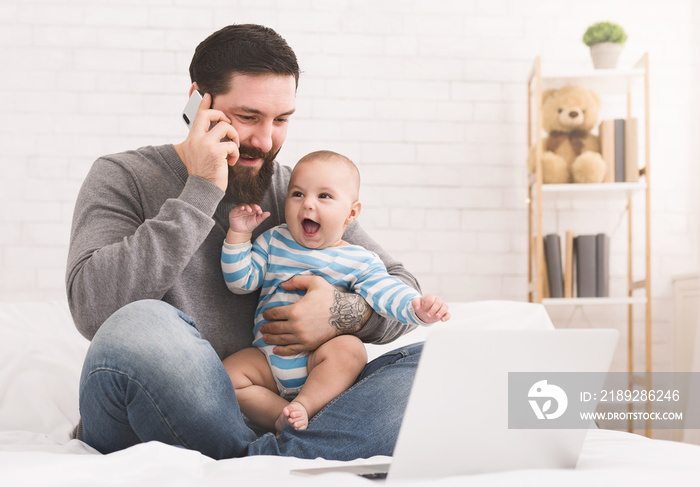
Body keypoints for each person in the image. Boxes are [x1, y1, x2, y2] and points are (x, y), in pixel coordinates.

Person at [66, 23, 426, 460]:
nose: (265, 139)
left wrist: (338, 314)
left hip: (280, 410)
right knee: (142, 324)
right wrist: (201, 188)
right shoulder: (123, 175)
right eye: (249, 117)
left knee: (435, 366)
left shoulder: (299, 193)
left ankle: (263, 459)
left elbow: (402, 290)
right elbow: (93, 310)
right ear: (200, 102)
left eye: (282, 120)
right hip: (160, 405)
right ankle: (298, 454)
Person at [221, 150, 450, 434]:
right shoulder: (274, 240)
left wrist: (416, 306)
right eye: (297, 194)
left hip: (319, 359)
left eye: (324, 197)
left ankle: (306, 405)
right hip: (268, 358)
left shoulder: (359, 260)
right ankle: (281, 417)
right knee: (225, 376)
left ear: (351, 213)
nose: (308, 205)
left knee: (349, 351)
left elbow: (385, 292)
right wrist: (239, 236)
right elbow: (240, 281)